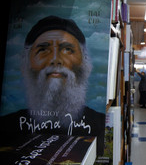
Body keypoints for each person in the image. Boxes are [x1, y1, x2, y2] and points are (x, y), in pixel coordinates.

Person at [0, 16, 105, 155]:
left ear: (85, 62)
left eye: (67, 49)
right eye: (43, 50)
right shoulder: (6, 127)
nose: (55, 60)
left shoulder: (100, 125)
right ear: (26, 62)